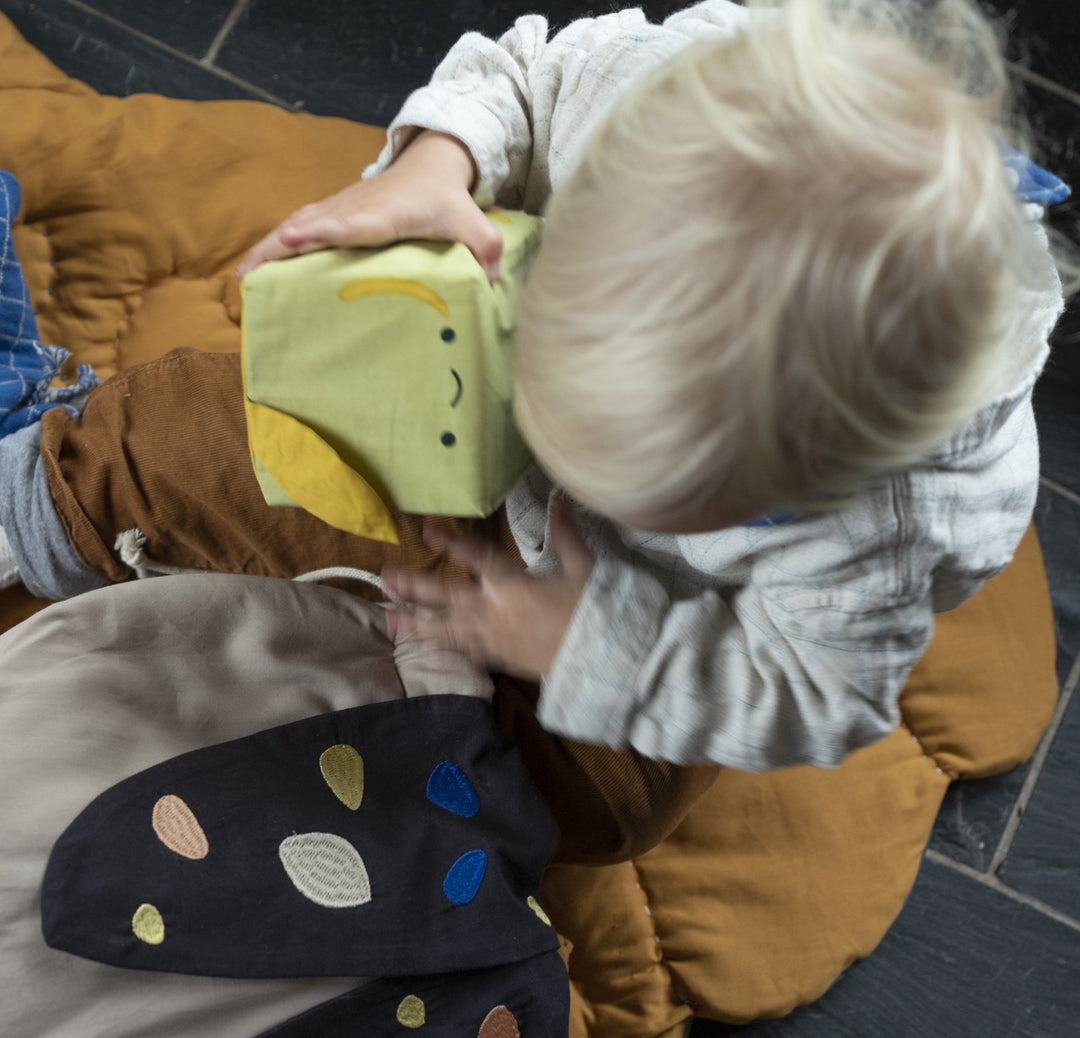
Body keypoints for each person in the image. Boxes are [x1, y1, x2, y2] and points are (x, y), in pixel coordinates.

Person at [0, 0, 1069, 857]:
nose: (567, 448)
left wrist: (584, 642)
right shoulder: (651, 98)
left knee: (610, 814)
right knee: (189, 437)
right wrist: (436, 166)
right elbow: (521, 73)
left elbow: (815, 690)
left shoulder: (896, 525)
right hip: (449, 413)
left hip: (638, 604)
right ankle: (30, 485)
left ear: (799, 487)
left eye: (651, 475)